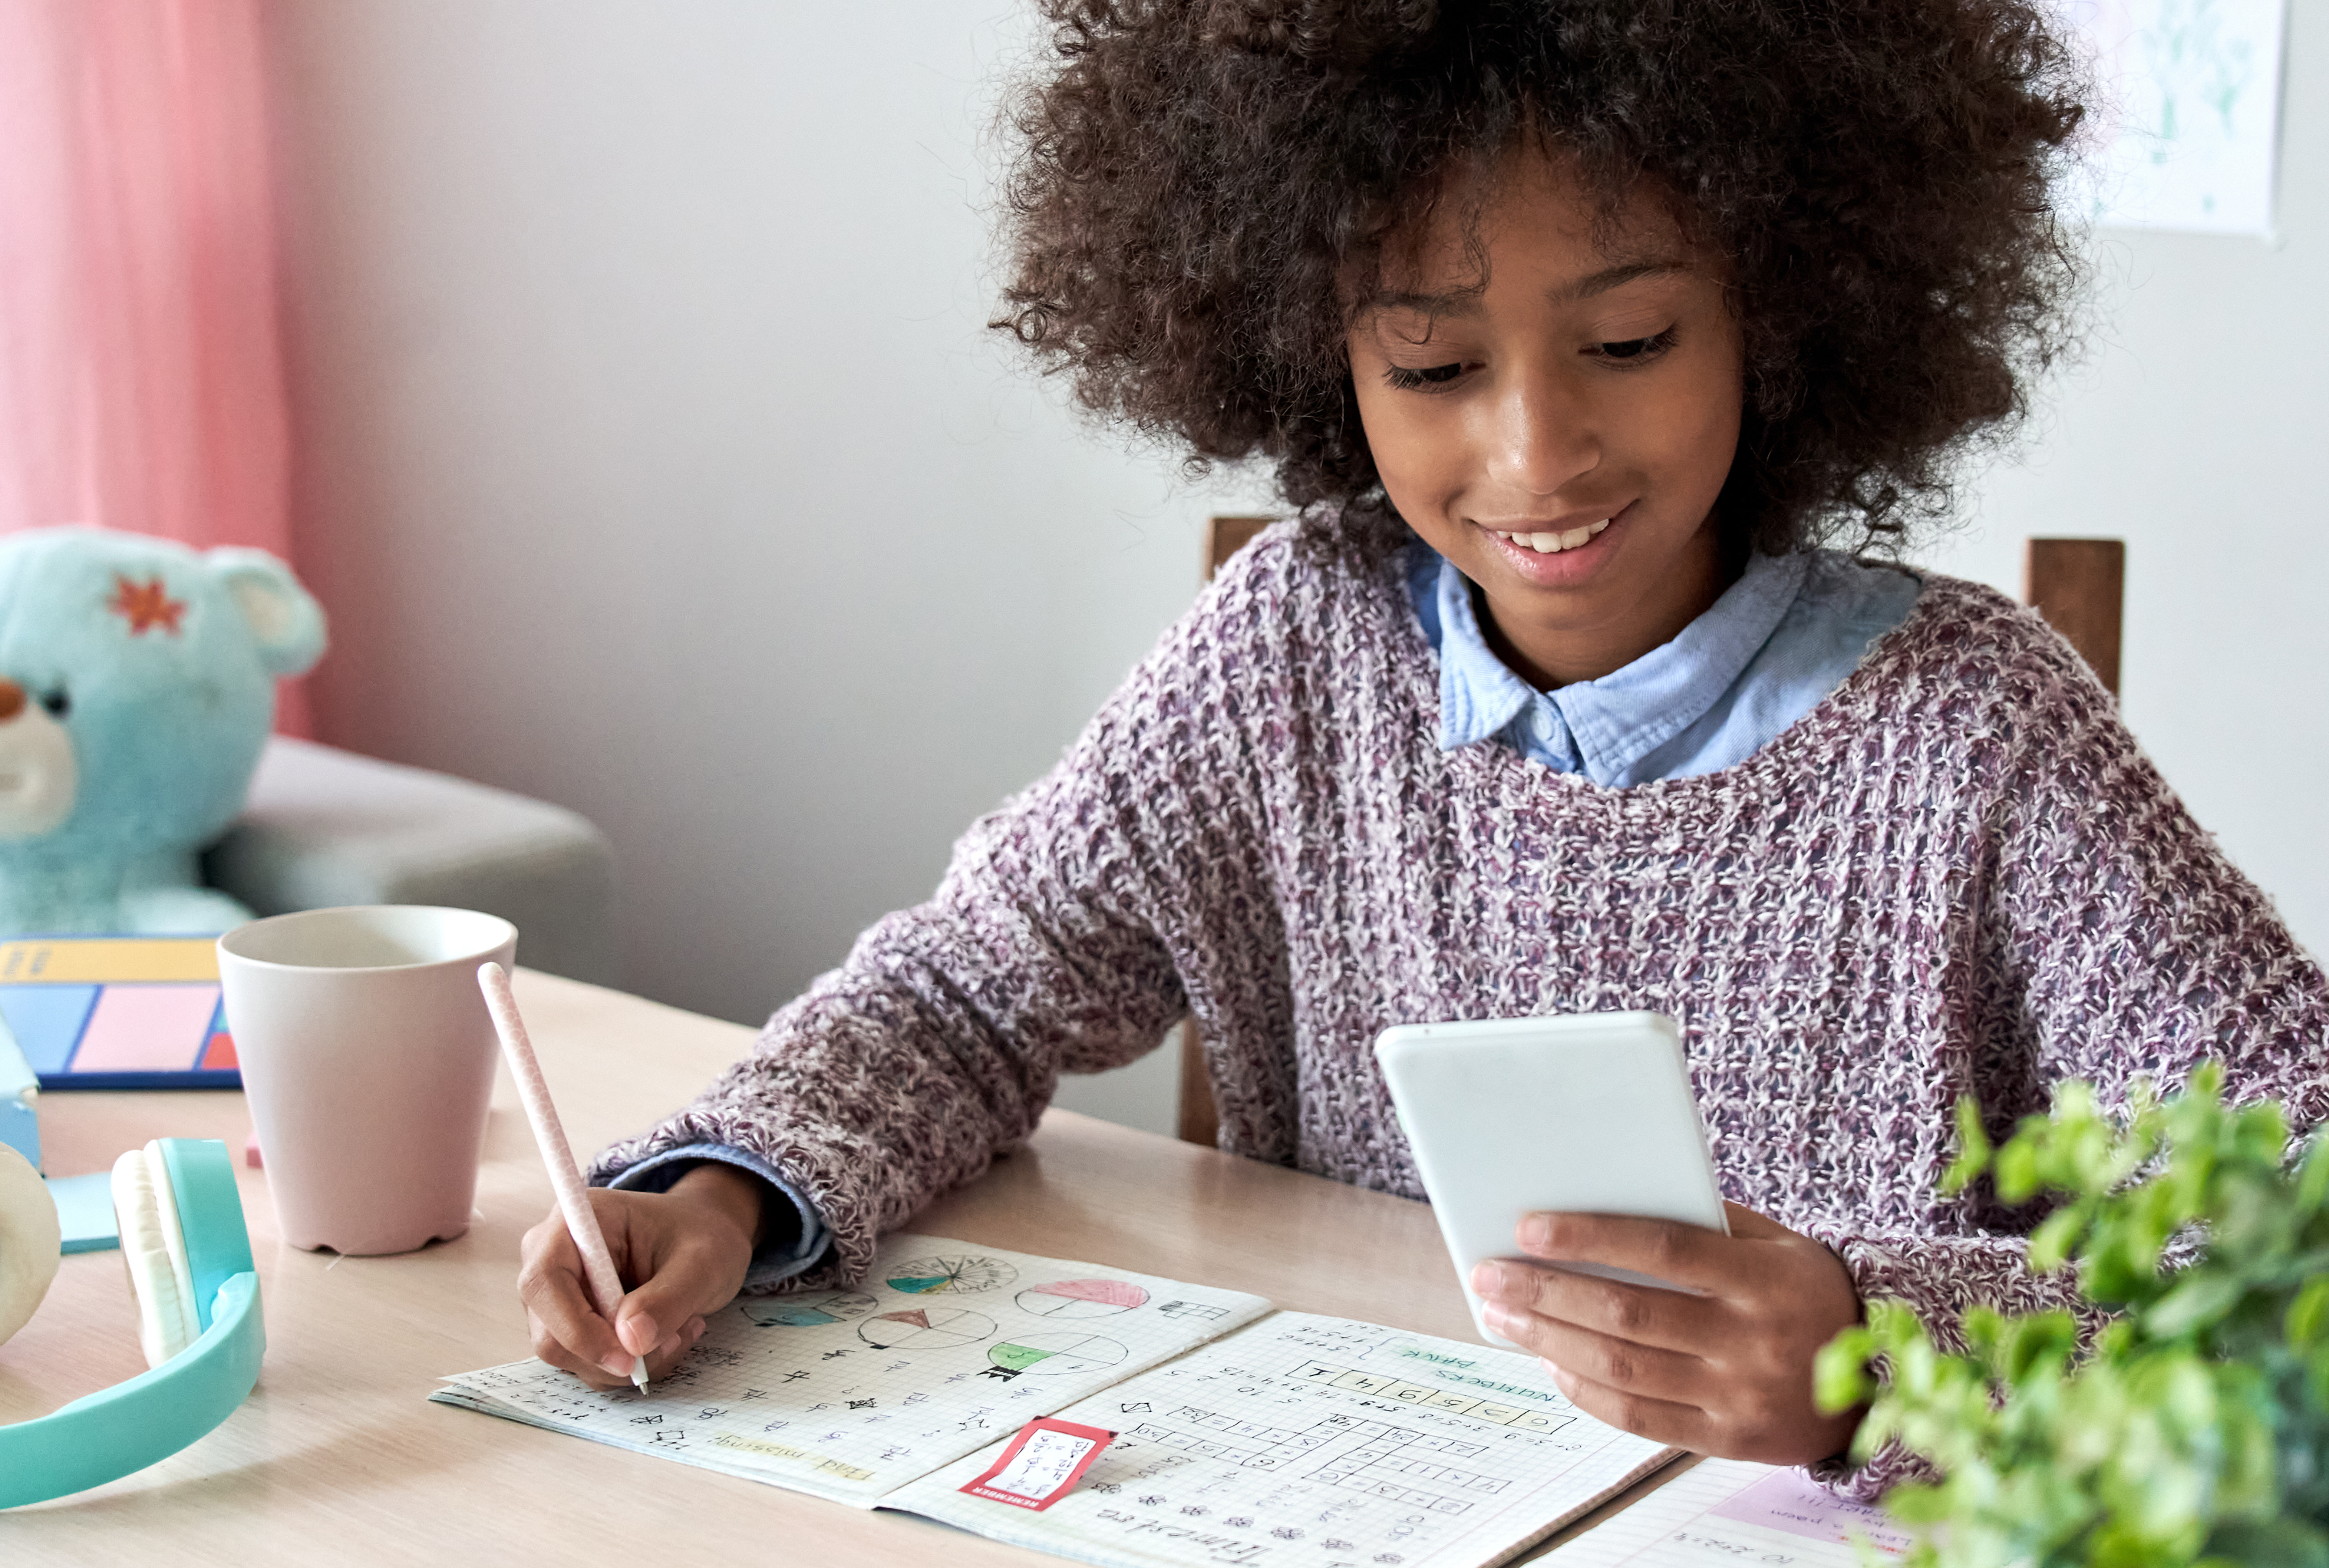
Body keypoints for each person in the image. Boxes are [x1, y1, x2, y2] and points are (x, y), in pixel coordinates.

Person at [516, 0, 2329, 1493]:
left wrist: (1892, 1355)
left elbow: (2298, 1234)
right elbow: (973, 993)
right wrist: (735, 1186)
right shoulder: (1294, 648)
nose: (1539, 457)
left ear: (1783, 306)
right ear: (1320, 354)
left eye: (1627, 338)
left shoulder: (1980, 741)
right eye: (1435, 366)